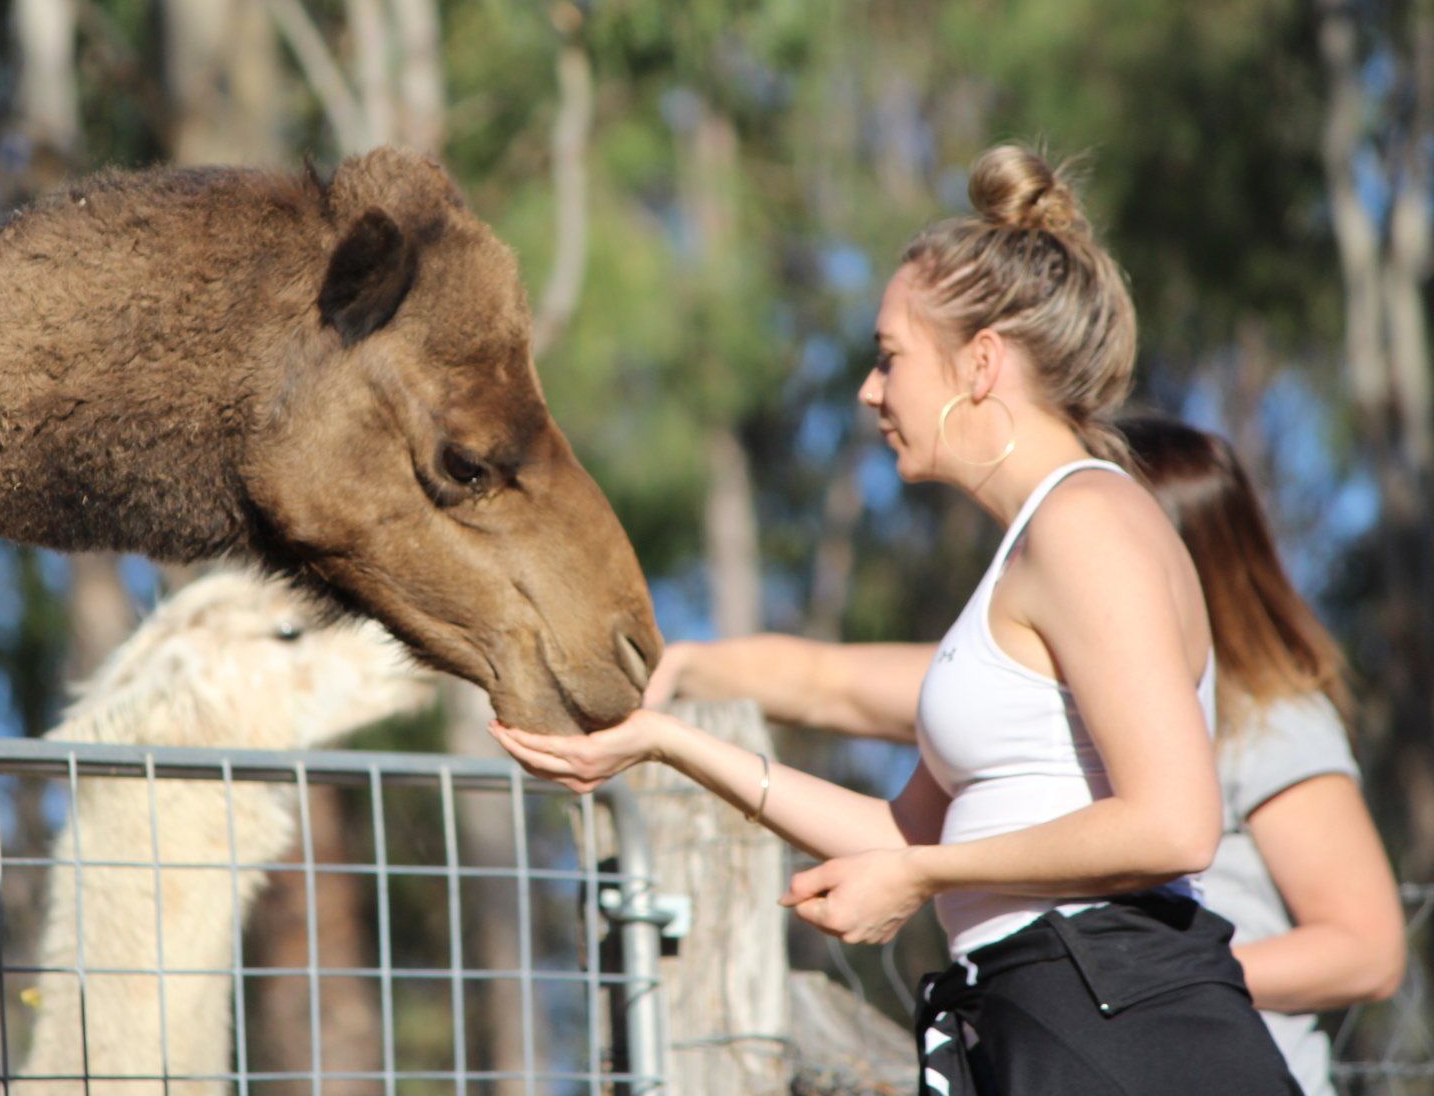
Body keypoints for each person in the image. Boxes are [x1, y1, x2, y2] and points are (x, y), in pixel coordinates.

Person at [488, 145, 1300, 1093]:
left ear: (981, 364)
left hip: (1118, 1017)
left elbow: (1175, 824)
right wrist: (665, 741)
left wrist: (925, 882)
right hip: (1050, 1008)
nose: (870, 391)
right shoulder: (1033, 545)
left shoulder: (1087, 523)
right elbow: (902, 835)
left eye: (889, 358)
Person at [646, 416, 1405, 1095]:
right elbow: (834, 684)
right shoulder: (1030, 680)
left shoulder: (1269, 719)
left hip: (1185, 1044)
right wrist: (678, 670)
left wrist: (1150, 976)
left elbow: (1367, 950)